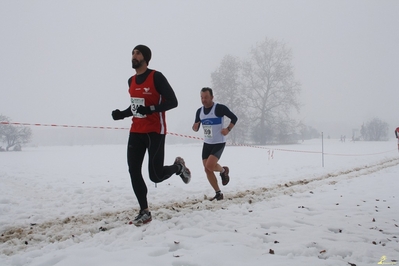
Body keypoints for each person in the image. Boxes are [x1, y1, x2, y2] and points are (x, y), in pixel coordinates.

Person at [111, 44, 191, 226]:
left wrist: (150, 109)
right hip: (136, 131)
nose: (134, 56)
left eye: (137, 53)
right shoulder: (131, 81)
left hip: (155, 131)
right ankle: (144, 211)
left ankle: (178, 168)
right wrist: (121, 114)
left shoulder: (156, 77)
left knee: (155, 175)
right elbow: (135, 108)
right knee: (133, 170)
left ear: (145, 58)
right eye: (132, 53)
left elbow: (173, 101)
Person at [192, 87, 238, 201]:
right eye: (202, 97)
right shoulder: (200, 111)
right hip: (207, 143)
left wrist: (228, 129)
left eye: (206, 97)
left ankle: (223, 171)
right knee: (207, 169)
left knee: (209, 166)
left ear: (212, 97)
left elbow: (234, 118)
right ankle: (219, 191)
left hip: (218, 143)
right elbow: (195, 127)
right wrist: (194, 127)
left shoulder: (219, 108)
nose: (204, 100)